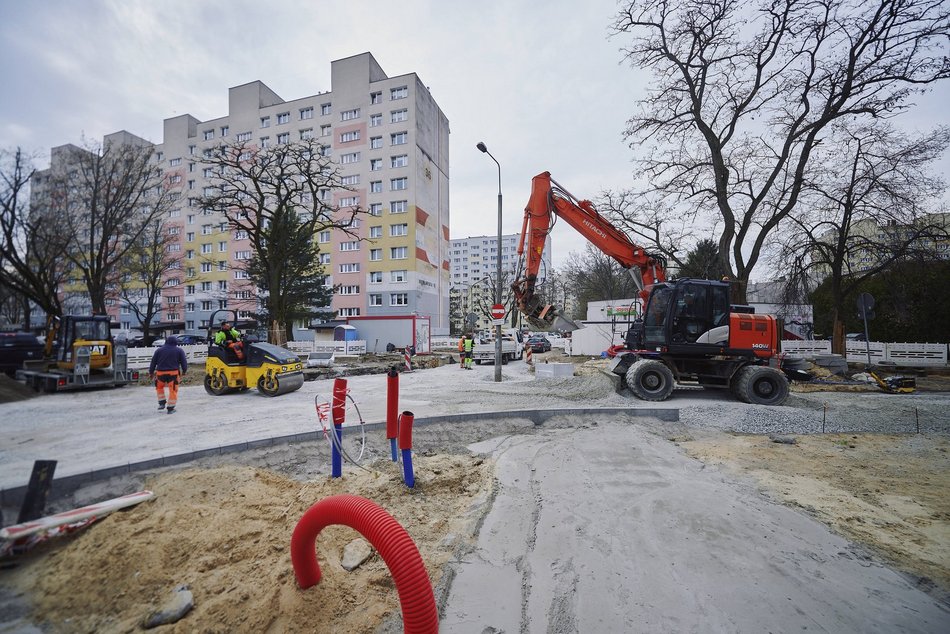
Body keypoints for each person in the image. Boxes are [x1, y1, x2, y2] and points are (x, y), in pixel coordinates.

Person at [149, 336, 188, 415]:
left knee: (159, 388)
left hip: (160, 373)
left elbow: (153, 362)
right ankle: (170, 408)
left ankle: (161, 403)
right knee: (173, 390)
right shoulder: (179, 350)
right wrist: (184, 371)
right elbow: (184, 362)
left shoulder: (158, 350)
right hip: (173, 374)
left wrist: (151, 373)